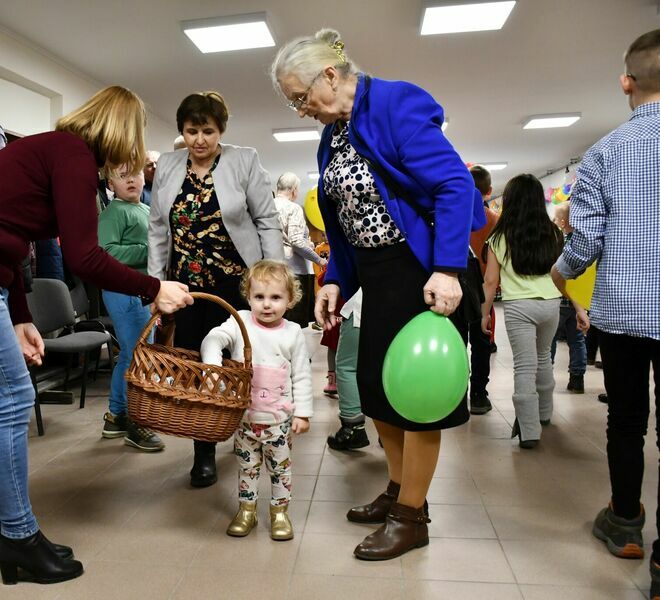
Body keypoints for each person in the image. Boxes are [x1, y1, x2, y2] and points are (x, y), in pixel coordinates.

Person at [0, 86, 192, 585]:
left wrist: (19, 315)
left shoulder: (50, 151)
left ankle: (16, 534)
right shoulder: (72, 158)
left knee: (8, 399)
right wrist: (154, 288)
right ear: (120, 130)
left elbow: (10, 236)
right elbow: (84, 257)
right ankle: (17, 537)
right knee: (10, 401)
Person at [271, 29, 484, 560]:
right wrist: (337, 279)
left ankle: (413, 518)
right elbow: (343, 224)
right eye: (291, 102)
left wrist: (448, 269)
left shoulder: (394, 102)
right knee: (375, 388)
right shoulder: (331, 135)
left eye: (300, 97)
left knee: (418, 396)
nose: (300, 110)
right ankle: (397, 491)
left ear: (329, 75)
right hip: (373, 273)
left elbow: (455, 186)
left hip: (421, 271)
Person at [550, 29, 660, 597]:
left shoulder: (607, 152)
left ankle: (624, 522)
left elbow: (587, 240)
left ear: (627, 81)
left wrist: (562, 271)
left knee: (628, 421)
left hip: (628, 312)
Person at [148, 90, 283, 488]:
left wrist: (272, 278)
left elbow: (266, 220)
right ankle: (203, 449)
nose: (200, 140)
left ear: (221, 130)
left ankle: (251, 435)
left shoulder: (244, 161)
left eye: (208, 131)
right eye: (191, 131)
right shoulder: (170, 166)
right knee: (195, 365)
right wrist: (157, 285)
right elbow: (158, 229)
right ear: (182, 132)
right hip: (186, 286)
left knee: (240, 362)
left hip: (236, 282)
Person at [200, 260, 312, 540]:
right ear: (248, 297)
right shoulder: (239, 322)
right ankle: (246, 511)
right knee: (246, 468)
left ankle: (280, 513)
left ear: (290, 299)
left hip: (279, 422)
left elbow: (301, 375)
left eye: (275, 297)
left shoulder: (293, 332)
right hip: (245, 420)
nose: (266, 304)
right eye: (259, 297)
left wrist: (303, 413)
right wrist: (212, 369)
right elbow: (213, 339)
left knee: (280, 470)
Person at [480, 174, 580, 449]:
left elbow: (490, 281)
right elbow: (561, 274)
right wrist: (578, 306)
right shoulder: (553, 232)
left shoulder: (500, 237)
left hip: (519, 307)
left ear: (510, 201)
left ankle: (529, 429)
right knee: (543, 359)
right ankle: (545, 414)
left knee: (524, 367)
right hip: (550, 304)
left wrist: (484, 313)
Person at [98, 164, 164, 452]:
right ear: (110, 182)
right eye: (122, 176)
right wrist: (149, 249)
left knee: (132, 353)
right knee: (138, 356)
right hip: (122, 291)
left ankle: (116, 416)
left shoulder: (146, 210)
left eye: (135, 174)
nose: (131, 180)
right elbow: (107, 252)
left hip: (141, 290)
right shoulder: (114, 212)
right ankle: (136, 422)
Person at [273, 172, 327, 327]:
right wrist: (320, 260)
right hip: (294, 271)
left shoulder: (267, 207)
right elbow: (296, 242)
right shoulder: (293, 208)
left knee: (275, 320)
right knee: (293, 324)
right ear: (294, 190)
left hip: (271, 268)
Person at [467, 165, 499, 414]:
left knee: (456, 341)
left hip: (457, 286)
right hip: (485, 290)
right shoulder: (495, 221)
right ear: (489, 191)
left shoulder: (455, 214)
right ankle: (479, 394)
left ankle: (455, 394)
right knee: (481, 343)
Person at [549, 201, 587, 394]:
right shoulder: (584, 245)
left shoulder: (560, 243)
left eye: (556, 218)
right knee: (577, 340)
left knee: (551, 339)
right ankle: (577, 378)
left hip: (559, 299)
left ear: (562, 222)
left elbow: (555, 272)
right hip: (579, 301)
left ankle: (548, 373)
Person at [326, 288, 371, 451]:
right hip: (399, 309)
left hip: (362, 307)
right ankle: (390, 430)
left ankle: (352, 428)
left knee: (347, 367)